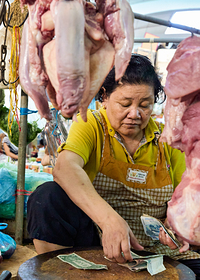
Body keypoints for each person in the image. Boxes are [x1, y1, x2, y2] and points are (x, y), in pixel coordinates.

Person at [27, 54, 200, 278]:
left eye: (145, 105)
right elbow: (64, 168)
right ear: (104, 98)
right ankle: (65, 274)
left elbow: (187, 197)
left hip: (158, 252)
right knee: (47, 197)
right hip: (97, 244)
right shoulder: (90, 124)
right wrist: (109, 220)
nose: (135, 114)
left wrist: (176, 228)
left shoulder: (167, 138)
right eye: (125, 104)